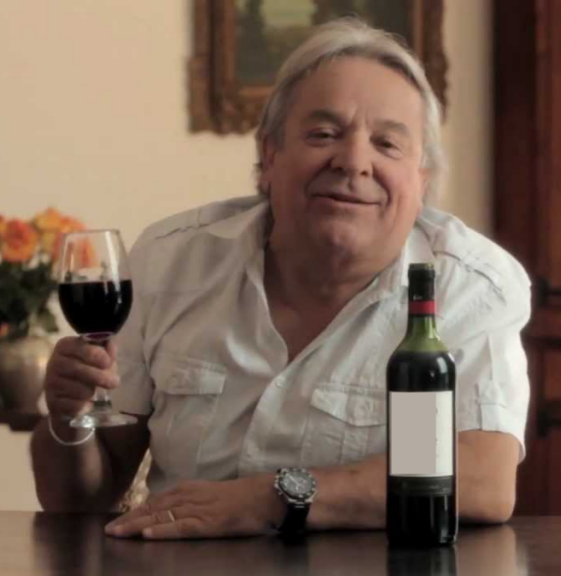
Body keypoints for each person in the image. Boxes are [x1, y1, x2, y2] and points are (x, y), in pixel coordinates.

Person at [30, 18, 531, 540]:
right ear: (269, 156)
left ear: (421, 182)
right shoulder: (170, 261)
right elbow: (81, 498)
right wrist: (68, 421)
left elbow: (483, 481)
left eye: (387, 144)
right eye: (323, 134)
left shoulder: (471, 287)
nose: (354, 162)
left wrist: (272, 498)